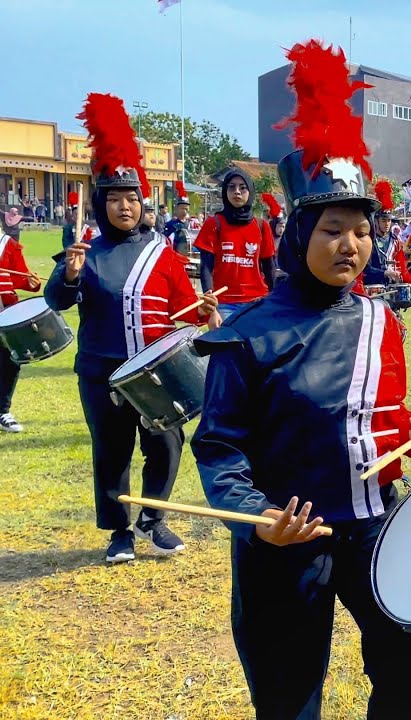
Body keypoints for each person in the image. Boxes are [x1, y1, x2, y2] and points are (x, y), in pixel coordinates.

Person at [192, 40, 411, 719]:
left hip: (372, 527)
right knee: (288, 693)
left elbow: (377, 417)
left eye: (362, 231)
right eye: (333, 229)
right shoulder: (246, 334)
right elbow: (218, 447)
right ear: (299, 232)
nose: (351, 246)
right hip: (288, 538)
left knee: (409, 653)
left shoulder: (380, 321)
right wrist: (255, 519)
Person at [45, 92, 221, 563]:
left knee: (165, 443)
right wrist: (69, 276)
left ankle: (153, 519)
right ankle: (118, 530)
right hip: (101, 371)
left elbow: (186, 311)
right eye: (115, 199)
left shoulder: (161, 252)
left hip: (157, 371)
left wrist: (204, 312)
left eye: (131, 198)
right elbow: (55, 302)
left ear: (143, 203)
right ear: (101, 205)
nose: (124, 207)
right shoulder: (86, 252)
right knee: (112, 449)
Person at [193, 169, 277, 321]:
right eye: (231, 187)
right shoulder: (213, 224)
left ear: (250, 191)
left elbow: (269, 267)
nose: (237, 192)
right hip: (225, 304)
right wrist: (212, 311)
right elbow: (206, 268)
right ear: (225, 191)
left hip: (257, 302)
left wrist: (276, 302)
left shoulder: (262, 226)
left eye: (242, 187)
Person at [0, 226, 41, 432]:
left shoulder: (8, 244)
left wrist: (31, 283)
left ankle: (3, 411)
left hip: (6, 311)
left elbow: (18, 278)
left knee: (10, 361)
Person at [362, 181, 410, 288]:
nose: (387, 224)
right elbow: (365, 269)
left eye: (389, 221)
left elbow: (402, 267)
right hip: (373, 287)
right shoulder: (369, 240)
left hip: (392, 286)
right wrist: (384, 273)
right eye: (384, 220)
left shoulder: (395, 241)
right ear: (376, 221)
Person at [163, 182, 193, 255]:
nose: (184, 211)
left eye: (186, 209)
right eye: (182, 208)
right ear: (176, 209)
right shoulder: (170, 224)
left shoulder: (191, 223)